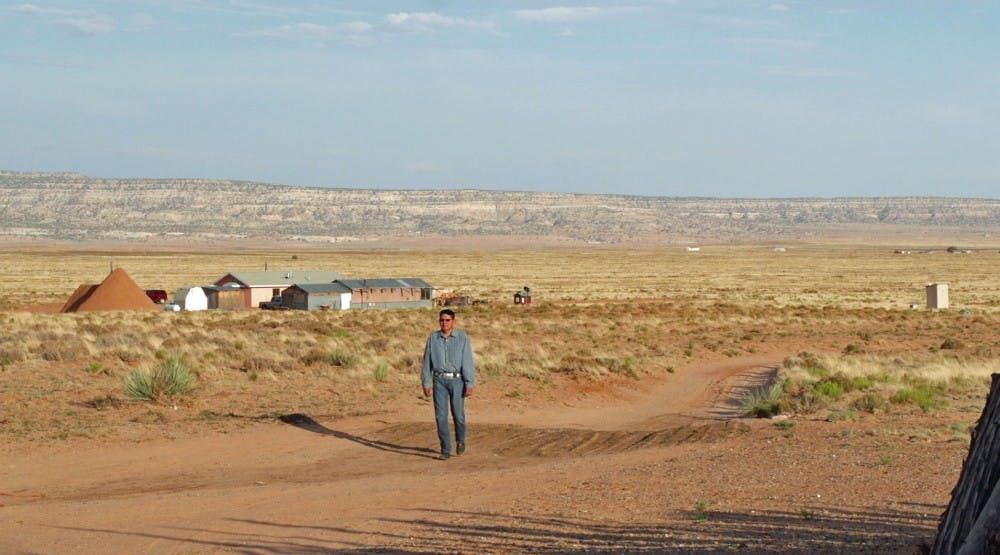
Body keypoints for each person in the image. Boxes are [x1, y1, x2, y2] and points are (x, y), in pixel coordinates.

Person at [421, 309, 476, 460]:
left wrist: (469, 382)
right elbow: (427, 362)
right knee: (441, 416)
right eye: (442, 320)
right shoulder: (433, 338)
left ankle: (460, 440)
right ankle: (445, 448)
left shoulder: (462, 338)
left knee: (458, 414)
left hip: (457, 380)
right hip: (439, 381)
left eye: (447, 320)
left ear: (453, 321)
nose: (444, 323)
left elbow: (467, 361)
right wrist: (426, 382)